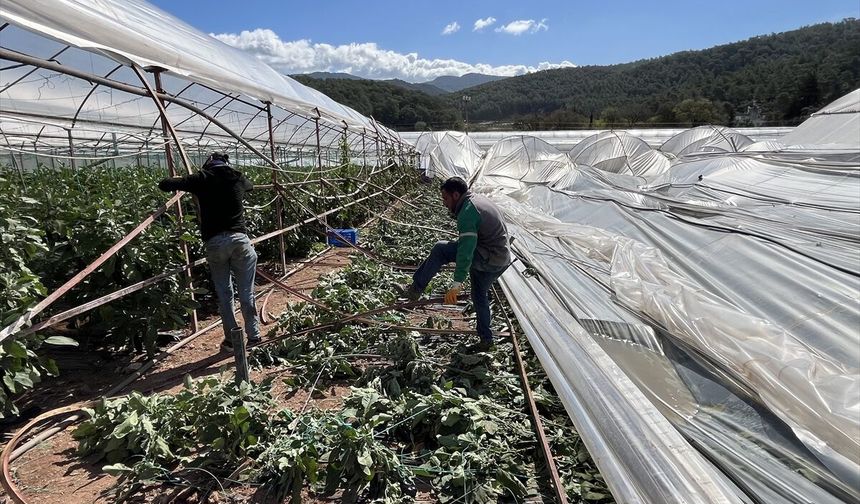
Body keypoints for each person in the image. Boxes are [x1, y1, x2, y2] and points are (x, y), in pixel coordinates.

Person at [158, 152, 261, 351]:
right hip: (240, 240)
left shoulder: (200, 179)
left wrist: (187, 182)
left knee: (224, 294)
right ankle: (254, 337)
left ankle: (232, 340)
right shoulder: (236, 177)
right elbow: (251, 186)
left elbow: (165, 184)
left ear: (208, 165)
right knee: (247, 293)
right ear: (226, 164)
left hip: (215, 243)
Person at [400, 176, 511, 352]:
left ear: (456, 194)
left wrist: (456, 284)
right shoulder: (477, 200)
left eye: (445, 198)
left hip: (487, 256)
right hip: (501, 259)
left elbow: (466, 252)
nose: (444, 203)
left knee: (440, 249)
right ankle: (486, 339)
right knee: (479, 294)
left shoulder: (468, 211)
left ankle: (416, 289)